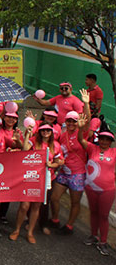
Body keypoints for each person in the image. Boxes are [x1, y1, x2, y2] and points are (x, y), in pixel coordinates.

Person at [10, 123, 63, 244]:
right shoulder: (34, 141)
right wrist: (28, 134)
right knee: (24, 206)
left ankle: (30, 232)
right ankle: (17, 230)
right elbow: (24, 149)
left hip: (44, 178)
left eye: (48, 130)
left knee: (36, 206)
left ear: (51, 132)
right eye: (43, 130)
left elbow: (57, 162)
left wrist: (51, 165)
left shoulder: (56, 145)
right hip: (30, 176)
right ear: (39, 132)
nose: (45, 133)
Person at [50, 90, 91, 234]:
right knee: (54, 198)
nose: (71, 123)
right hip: (63, 172)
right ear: (65, 122)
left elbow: (87, 120)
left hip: (77, 174)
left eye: (74, 121)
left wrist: (86, 103)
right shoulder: (62, 135)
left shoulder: (82, 133)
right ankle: (55, 219)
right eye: (69, 121)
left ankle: (69, 226)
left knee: (75, 202)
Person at [77, 114, 115, 256]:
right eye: (103, 138)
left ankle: (103, 242)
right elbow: (81, 139)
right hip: (91, 187)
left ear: (111, 141)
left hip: (107, 190)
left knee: (104, 215)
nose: (105, 141)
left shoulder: (114, 152)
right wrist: (80, 129)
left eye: (108, 139)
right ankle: (93, 236)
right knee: (93, 212)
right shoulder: (93, 148)